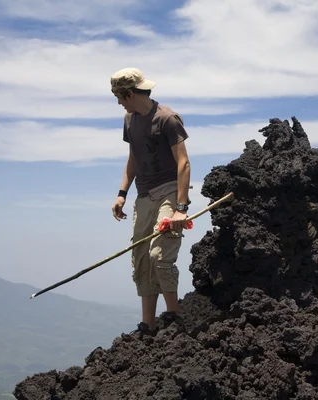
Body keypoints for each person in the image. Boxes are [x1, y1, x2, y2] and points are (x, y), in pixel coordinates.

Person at [109, 67, 190, 335]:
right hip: (143, 195)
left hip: (169, 190)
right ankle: (148, 325)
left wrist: (181, 208)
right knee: (142, 258)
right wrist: (122, 193)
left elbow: (183, 162)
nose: (119, 102)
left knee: (159, 255)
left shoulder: (167, 118)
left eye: (120, 97)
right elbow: (133, 157)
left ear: (130, 93)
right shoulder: (129, 120)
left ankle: (173, 318)